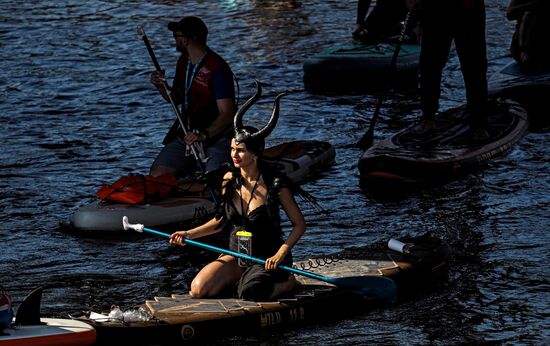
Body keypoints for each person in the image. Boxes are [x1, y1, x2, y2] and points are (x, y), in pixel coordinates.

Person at [169, 82, 306, 301]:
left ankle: (287, 283)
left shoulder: (276, 184)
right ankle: (240, 277)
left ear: (255, 154)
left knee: (250, 293)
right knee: (198, 289)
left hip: (267, 257)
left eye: (240, 150)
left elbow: (299, 224)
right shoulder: (229, 180)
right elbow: (221, 221)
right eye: (232, 148)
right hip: (237, 256)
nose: (234, 154)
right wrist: (189, 234)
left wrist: (280, 254)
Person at [149, 16, 236, 179]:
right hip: (188, 134)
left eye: (177, 35)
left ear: (187, 39)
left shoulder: (218, 69)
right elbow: (175, 99)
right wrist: (161, 87)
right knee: (157, 174)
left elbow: (227, 114)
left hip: (216, 137)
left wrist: (204, 135)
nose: (175, 39)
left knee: (214, 179)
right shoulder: (184, 62)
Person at [410, 0, 489, 140]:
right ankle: (428, 118)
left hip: (467, 9)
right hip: (435, 9)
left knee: (473, 65)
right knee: (429, 65)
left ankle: (479, 123)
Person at [506, 0, 550, 69]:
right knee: (529, 15)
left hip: (542, 46)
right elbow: (509, 15)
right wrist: (536, 4)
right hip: (523, 49)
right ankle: (524, 54)